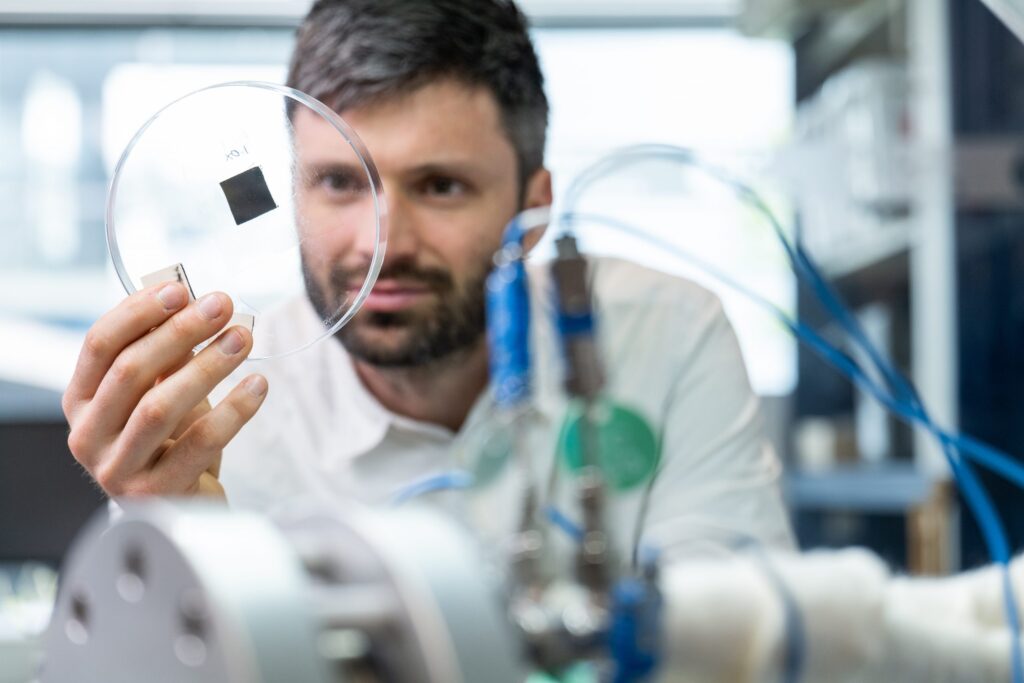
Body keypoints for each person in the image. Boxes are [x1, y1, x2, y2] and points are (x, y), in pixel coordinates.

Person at [63, 0, 793, 560]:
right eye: (340, 183)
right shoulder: (214, 415)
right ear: (293, 188)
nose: (385, 244)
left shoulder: (666, 338)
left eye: (441, 185)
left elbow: (738, 645)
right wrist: (171, 538)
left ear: (534, 207)